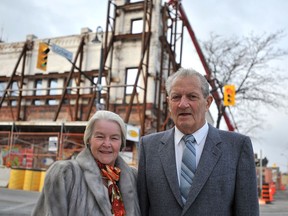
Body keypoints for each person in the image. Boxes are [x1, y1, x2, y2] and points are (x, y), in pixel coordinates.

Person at [137, 68, 259, 215]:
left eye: (192, 97)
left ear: (207, 103)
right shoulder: (148, 147)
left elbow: (247, 210)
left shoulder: (237, 147)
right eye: (176, 97)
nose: (183, 104)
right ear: (169, 103)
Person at [32, 110, 140, 216]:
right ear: (88, 139)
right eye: (100, 137)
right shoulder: (65, 174)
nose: (107, 144)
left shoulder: (134, 177)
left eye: (114, 138)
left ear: (121, 143)